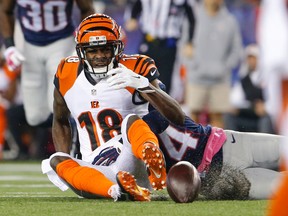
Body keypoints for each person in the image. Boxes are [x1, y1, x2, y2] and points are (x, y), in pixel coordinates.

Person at [41, 13, 185, 201]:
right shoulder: (66, 72)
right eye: (93, 50)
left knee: (131, 121)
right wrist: (70, 162)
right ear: (81, 51)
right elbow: (60, 120)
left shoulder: (135, 67)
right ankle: (117, 190)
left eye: (106, 49)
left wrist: (143, 85)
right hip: (95, 169)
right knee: (56, 159)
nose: (100, 56)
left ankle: (152, 158)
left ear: (117, 48)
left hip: (133, 158)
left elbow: (177, 116)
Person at [0, 0, 95, 127]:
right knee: (34, 116)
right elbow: (5, 10)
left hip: (61, 42)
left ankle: (71, 142)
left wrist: (80, 42)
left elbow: (87, 9)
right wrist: (10, 46)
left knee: (58, 108)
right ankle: (48, 142)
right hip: (30, 44)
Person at [185, 0, 243, 128]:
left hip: (220, 79)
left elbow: (236, 49)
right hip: (196, 77)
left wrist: (224, 68)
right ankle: (193, 147)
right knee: (193, 115)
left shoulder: (230, 21)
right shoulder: (193, 17)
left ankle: (217, 148)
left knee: (218, 117)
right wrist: (192, 65)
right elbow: (183, 44)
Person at [124, 0, 195, 94]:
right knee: (141, 78)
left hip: (169, 44)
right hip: (149, 41)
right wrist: (133, 17)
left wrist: (190, 42)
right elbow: (138, 4)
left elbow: (191, 17)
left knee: (165, 83)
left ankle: (161, 107)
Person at [224, 44, 275, 133]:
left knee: (266, 120)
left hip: (261, 118)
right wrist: (235, 107)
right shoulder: (243, 78)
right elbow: (235, 99)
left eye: (254, 58)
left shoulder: (268, 77)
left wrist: (265, 108)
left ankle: (263, 146)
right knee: (228, 116)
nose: (251, 61)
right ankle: (233, 144)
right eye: (249, 58)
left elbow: (275, 101)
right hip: (247, 115)